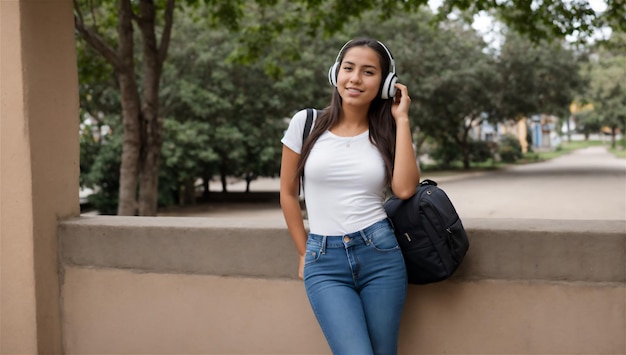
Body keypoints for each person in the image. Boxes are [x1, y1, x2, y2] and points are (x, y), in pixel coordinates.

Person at [279, 37, 420, 355]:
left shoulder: (387, 131)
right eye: (348, 68)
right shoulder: (306, 123)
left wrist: (402, 119)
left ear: (385, 84)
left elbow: (405, 189)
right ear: (335, 73)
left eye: (368, 72)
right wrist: (304, 251)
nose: (355, 78)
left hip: (381, 255)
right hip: (324, 262)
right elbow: (288, 193)